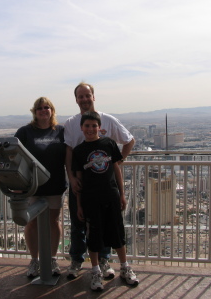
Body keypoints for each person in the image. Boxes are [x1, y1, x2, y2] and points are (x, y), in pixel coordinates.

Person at [64, 81, 135, 279]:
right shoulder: (71, 123)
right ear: (76, 99)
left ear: (93, 97)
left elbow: (129, 140)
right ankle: (77, 260)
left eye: (88, 95)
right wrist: (71, 177)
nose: (84, 99)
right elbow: (69, 151)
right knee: (79, 223)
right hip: (80, 182)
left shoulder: (108, 120)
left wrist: (116, 165)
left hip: (104, 185)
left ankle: (104, 261)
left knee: (105, 223)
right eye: (81, 96)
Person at [72, 111, 139, 291]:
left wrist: (122, 194)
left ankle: (124, 268)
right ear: (81, 128)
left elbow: (117, 170)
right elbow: (79, 181)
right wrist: (79, 205)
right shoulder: (78, 151)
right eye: (87, 126)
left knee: (117, 233)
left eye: (94, 126)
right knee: (93, 236)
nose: (90, 129)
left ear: (100, 128)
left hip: (111, 196)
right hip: (90, 199)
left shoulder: (109, 144)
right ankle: (95, 272)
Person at [14, 97, 67, 278]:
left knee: (54, 222)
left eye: (47, 107)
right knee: (31, 223)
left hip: (55, 184)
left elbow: (69, 155)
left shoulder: (60, 131)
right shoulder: (25, 132)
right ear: (34, 112)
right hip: (32, 186)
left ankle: (52, 259)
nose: (43, 111)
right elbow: (15, 157)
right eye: (39, 108)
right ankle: (34, 260)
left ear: (52, 110)